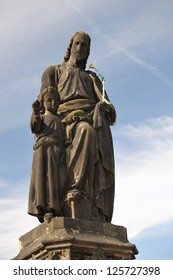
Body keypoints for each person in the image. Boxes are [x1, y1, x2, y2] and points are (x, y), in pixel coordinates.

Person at [38, 31, 116, 222]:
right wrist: (64, 118)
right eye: (78, 44)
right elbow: (43, 106)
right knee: (85, 131)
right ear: (70, 46)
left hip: (91, 118)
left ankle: (83, 194)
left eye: (85, 46)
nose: (80, 48)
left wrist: (104, 107)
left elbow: (111, 111)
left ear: (88, 51)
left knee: (89, 129)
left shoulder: (92, 78)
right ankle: (74, 188)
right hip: (63, 123)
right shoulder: (54, 72)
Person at [28, 86, 67, 223]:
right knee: (44, 181)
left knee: (58, 180)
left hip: (58, 153)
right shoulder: (41, 118)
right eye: (49, 100)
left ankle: (57, 207)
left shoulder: (61, 119)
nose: (53, 103)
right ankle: (47, 210)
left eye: (56, 100)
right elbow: (34, 126)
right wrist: (35, 111)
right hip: (43, 153)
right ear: (43, 103)